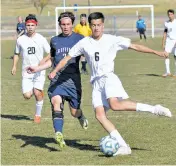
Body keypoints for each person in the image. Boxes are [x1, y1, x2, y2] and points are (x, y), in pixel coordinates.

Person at [27, 12, 172, 156]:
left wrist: (156, 52)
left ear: (103, 26)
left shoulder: (112, 39)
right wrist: (53, 72)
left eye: (99, 25)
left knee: (115, 105)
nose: (96, 28)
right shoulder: (84, 43)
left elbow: (134, 46)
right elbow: (66, 58)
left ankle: (154, 109)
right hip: (96, 83)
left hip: (108, 77)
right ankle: (123, 146)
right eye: (93, 25)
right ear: (90, 26)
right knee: (100, 115)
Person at [28, 12, 88, 148]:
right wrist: (37, 68)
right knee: (56, 103)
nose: (66, 27)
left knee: (74, 112)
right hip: (57, 80)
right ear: (59, 25)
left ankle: (80, 116)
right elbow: (53, 61)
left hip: (73, 81)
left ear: (72, 24)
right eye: (63, 24)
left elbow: (88, 56)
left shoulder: (80, 39)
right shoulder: (54, 40)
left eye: (68, 24)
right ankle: (59, 134)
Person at [11, 14, 50, 124]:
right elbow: (16, 53)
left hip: (39, 71)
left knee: (37, 92)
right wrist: (14, 66)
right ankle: (36, 90)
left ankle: (38, 115)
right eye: (28, 25)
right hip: (26, 71)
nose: (30, 27)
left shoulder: (41, 39)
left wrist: (44, 60)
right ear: (25, 26)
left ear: (36, 26)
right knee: (27, 95)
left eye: (32, 25)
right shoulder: (20, 40)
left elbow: (51, 52)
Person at [162, 9, 176, 78]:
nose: (170, 16)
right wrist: (163, 43)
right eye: (169, 15)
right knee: (166, 55)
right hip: (168, 41)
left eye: (171, 14)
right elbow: (165, 33)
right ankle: (167, 72)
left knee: (175, 56)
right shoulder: (166, 23)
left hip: (175, 41)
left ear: (174, 14)